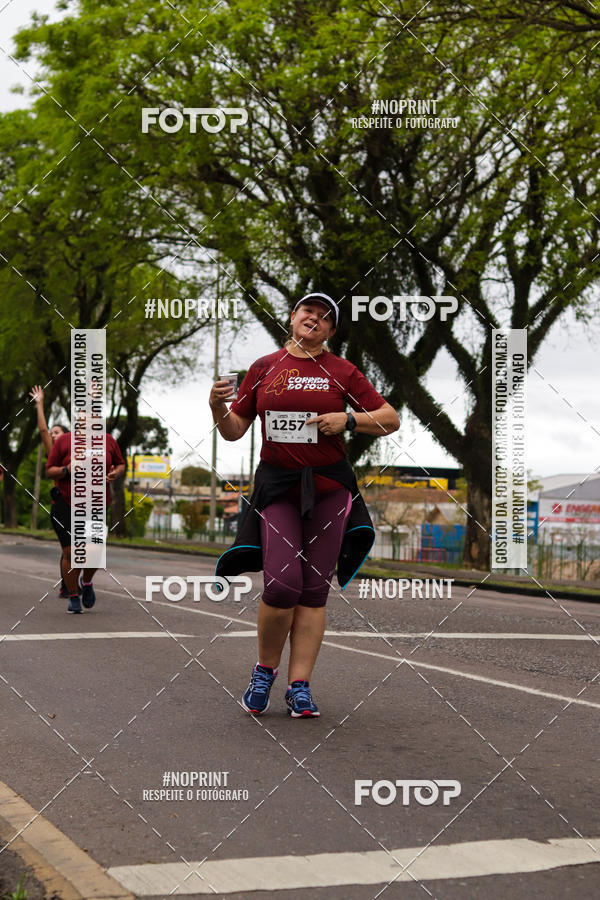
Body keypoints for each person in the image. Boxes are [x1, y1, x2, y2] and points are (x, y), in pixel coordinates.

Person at [211, 292, 399, 718]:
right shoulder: (264, 367)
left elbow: (390, 418)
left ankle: (300, 687)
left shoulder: (342, 371)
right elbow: (234, 430)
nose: (315, 317)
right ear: (292, 317)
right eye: (308, 311)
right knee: (281, 585)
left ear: (331, 331)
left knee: (314, 592)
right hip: (278, 488)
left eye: (325, 316)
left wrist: (349, 419)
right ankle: (263, 672)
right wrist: (214, 407)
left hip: (331, 489)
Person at [45, 416, 125, 613]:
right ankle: (73, 595)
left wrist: (116, 473)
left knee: (94, 552)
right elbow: (49, 471)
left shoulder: (108, 440)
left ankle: (87, 582)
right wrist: (66, 469)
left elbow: (120, 463)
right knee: (71, 553)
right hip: (66, 503)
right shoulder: (64, 441)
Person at [29, 385, 70, 598]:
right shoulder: (53, 452)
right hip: (61, 505)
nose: (54, 435)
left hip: (82, 505)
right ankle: (68, 585)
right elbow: (43, 430)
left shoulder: (78, 449)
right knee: (68, 549)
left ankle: (82, 581)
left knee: (86, 548)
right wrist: (40, 404)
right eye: (52, 433)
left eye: (58, 432)